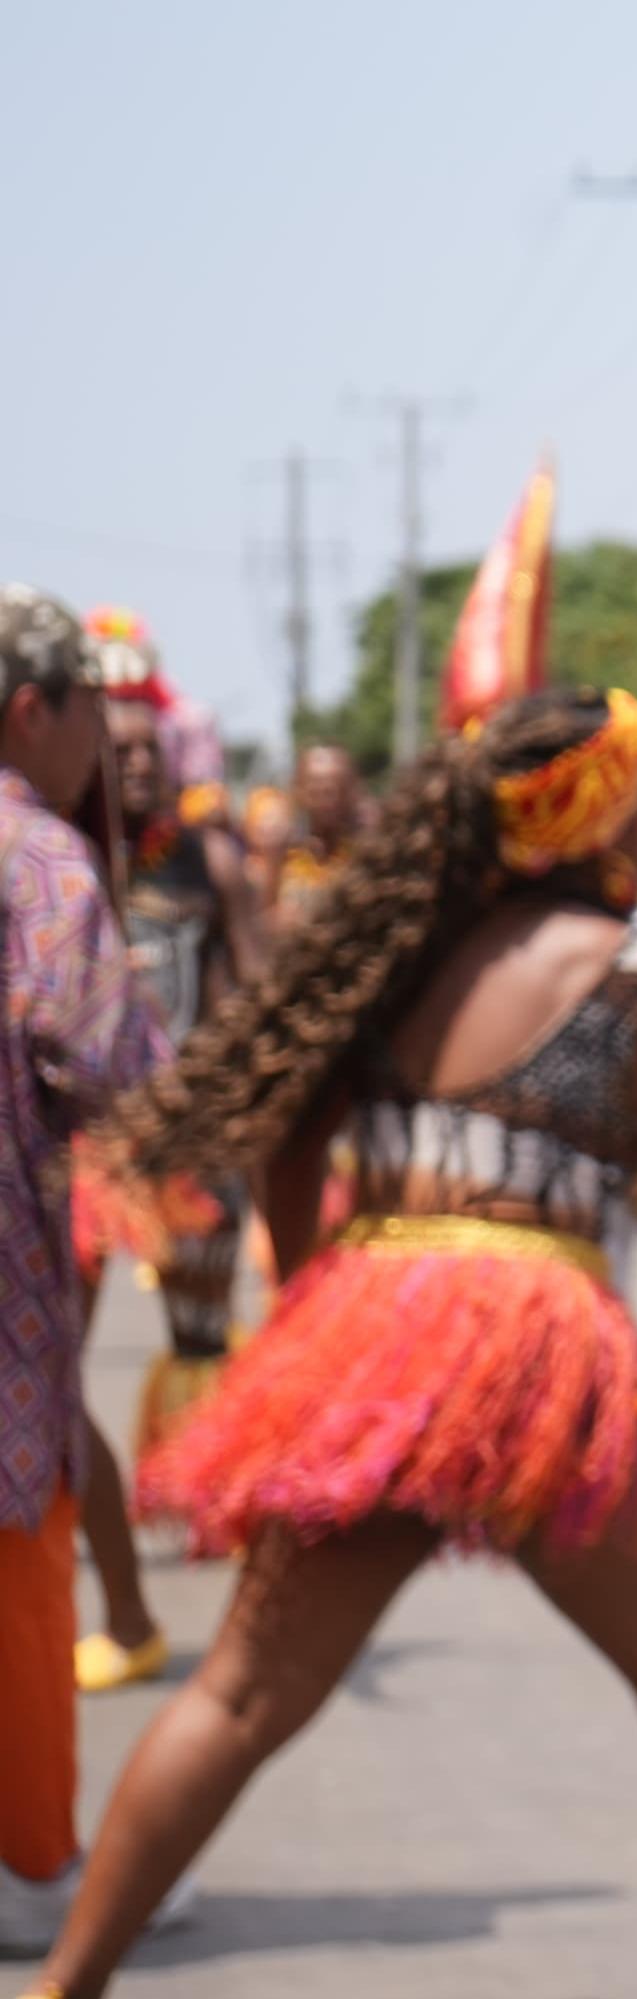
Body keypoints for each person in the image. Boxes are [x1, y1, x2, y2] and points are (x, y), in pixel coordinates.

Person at [33, 688, 637, 1997]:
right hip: (542, 1340)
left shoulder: (380, 956)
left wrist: (333, 1330)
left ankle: (63, 1982)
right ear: (602, 816)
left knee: (245, 1695)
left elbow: (292, 1158)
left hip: (379, 1321)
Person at [0, 588, 162, 1956]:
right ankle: (34, 1859)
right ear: (31, 708)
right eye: (92, 716)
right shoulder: (41, 860)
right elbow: (110, 1066)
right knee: (14, 1548)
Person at [66, 627, 272, 1697]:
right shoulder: (61, 859)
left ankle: (201, 1496)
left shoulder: (214, 859)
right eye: (120, 748)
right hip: (89, 1156)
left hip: (197, 1143)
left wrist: (243, 1111)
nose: (137, 765)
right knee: (57, 1351)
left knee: (201, 1329)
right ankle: (84, 1532)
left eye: (151, 750)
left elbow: (262, 991)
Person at [261, 743, 368, 934]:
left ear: (351, 793)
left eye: (335, 790)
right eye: (316, 791)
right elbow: (264, 918)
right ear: (299, 791)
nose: (327, 800)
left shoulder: (365, 851)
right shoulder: (282, 849)